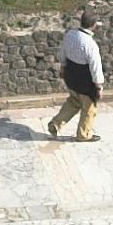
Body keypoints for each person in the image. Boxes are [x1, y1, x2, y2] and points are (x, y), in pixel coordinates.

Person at [46, 9, 105, 143]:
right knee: (89, 108)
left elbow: (62, 53)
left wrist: (62, 67)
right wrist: (99, 86)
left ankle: (56, 124)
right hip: (85, 82)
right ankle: (84, 135)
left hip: (71, 76)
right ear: (94, 25)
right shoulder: (91, 45)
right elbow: (95, 68)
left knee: (74, 101)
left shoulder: (70, 34)